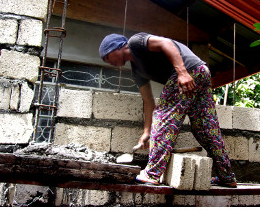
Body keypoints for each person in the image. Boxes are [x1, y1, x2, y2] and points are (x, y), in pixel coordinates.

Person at [99, 32, 237, 187]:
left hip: (189, 71)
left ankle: (152, 173)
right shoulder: (136, 72)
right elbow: (148, 101)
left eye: (106, 57)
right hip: (201, 72)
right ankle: (226, 176)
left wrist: (182, 73)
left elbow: (166, 43)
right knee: (205, 129)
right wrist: (146, 132)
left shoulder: (135, 42)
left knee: (163, 117)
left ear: (115, 48)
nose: (108, 63)